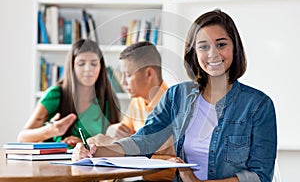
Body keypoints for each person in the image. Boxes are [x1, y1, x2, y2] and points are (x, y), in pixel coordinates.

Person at [72, 10, 277, 182]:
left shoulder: (258, 105)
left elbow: (259, 176)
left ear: (235, 48)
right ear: (194, 52)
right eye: (204, 46)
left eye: (221, 44)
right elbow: (143, 141)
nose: (212, 54)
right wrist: (95, 151)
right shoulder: (178, 95)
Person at [87, 41, 176, 181]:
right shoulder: (137, 102)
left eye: (127, 75)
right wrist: (112, 131)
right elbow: (119, 133)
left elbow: (155, 151)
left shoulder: (173, 104)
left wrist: (116, 141)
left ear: (149, 73)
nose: (122, 83)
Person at [18, 39, 120, 148]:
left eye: (94, 64)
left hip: (94, 162)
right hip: (58, 162)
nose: (88, 69)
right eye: (81, 64)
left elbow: (114, 142)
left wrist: (84, 143)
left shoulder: (108, 98)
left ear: (101, 67)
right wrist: (51, 130)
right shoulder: (56, 95)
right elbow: (22, 138)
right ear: (72, 67)